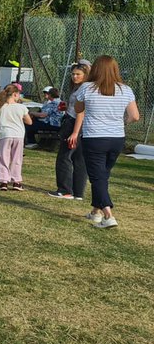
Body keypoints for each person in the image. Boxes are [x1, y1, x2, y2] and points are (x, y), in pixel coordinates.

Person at [68, 55, 140, 229]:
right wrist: (121, 122)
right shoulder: (126, 89)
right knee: (103, 175)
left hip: (94, 138)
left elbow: (78, 109)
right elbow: (135, 116)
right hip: (116, 138)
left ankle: (108, 215)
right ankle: (96, 212)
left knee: (97, 176)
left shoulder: (87, 88)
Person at [50, 64, 89, 199]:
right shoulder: (79, 88)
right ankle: (78, 192)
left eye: (78, 74)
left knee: (64, 157)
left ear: (86, 75)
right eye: (73, 74)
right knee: (79, 158)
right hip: (77, 122)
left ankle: (65, 190)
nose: (74, 76)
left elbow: (81, 113)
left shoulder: (84, 88)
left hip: (74, 123)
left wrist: (74, 132)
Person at [0, 84, 31, 191]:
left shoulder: (1, 107)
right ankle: (16, 181)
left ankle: (3, 181)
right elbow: (29, 121)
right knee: (17, 158)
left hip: (5, 134)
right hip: (18, 135)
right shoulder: (22, 107)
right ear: (15, 94)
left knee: (4, 158)